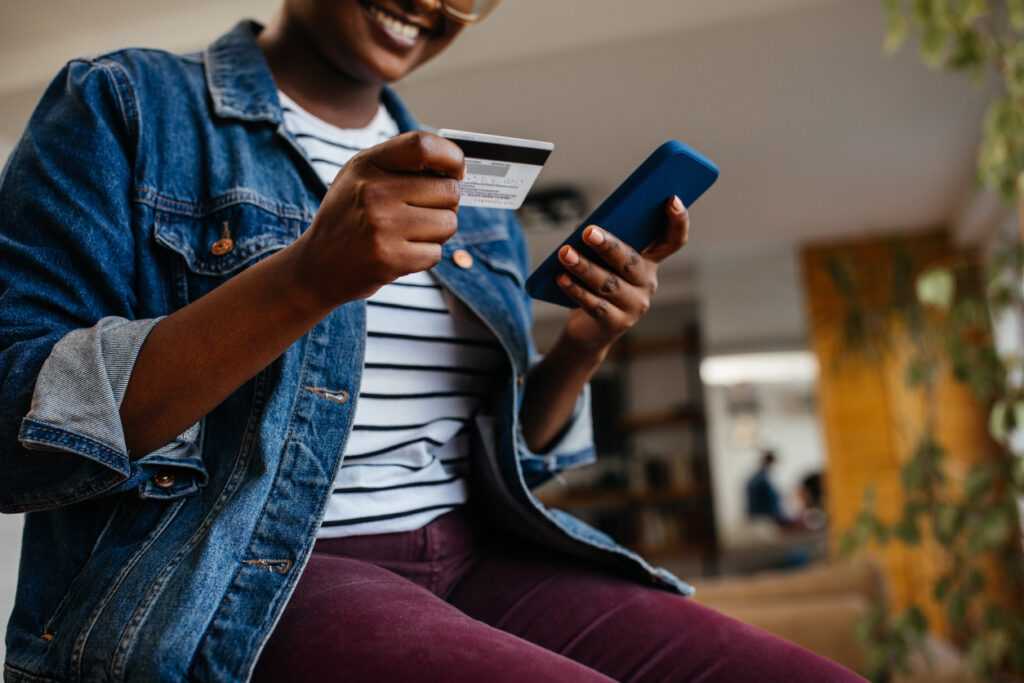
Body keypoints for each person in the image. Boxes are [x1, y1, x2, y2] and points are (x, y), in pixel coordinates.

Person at [0, 1, 866, 681]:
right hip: (261, 576)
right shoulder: (126, 106)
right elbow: (15, 430)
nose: (431, 2)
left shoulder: (471, 189)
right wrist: (307, 278)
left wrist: (585, 346)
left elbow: (511, 462)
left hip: (482, 551)